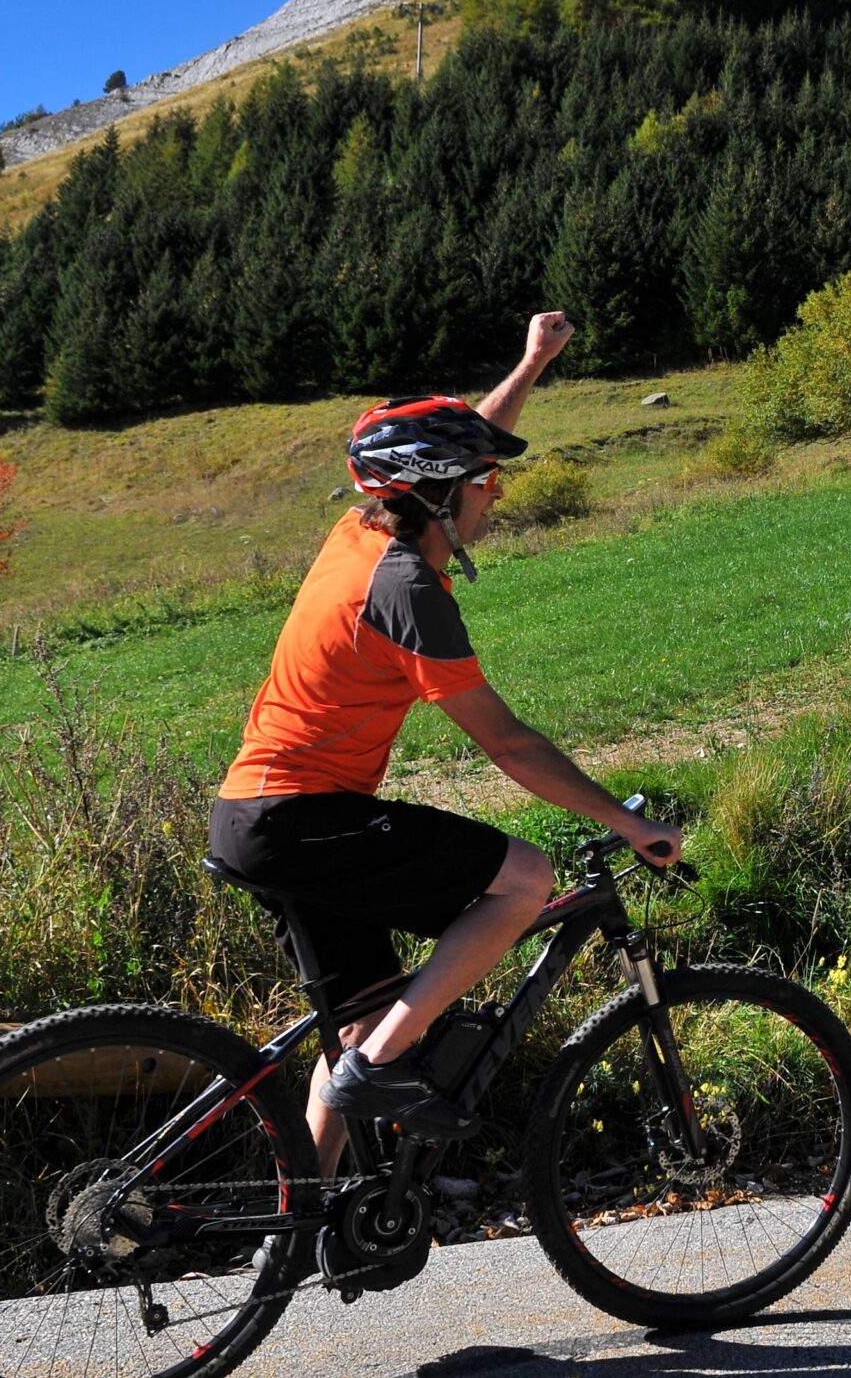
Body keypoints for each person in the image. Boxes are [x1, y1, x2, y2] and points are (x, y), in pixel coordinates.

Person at [211, 311, 682, 1167]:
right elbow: (507, 744)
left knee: (361, 1031)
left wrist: (532, 362)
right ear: (437, 493)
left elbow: (471, 444)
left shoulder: (362, 530)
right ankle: (380, 1069)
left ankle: (305, 1233)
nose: (496, 490)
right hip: (302, 819)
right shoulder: (407, 593)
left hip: (257, 817)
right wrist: (624, 820)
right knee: (526, 879)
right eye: (485, 482)